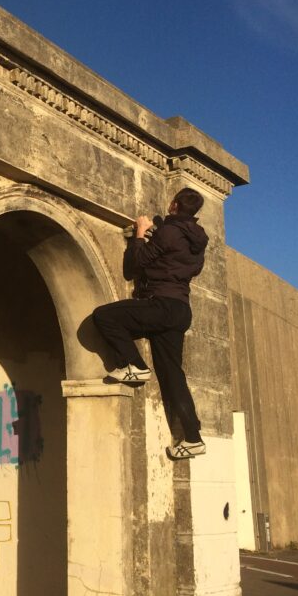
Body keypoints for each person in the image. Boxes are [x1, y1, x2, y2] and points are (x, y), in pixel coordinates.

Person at [92, 187, 208, 461]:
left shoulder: (170, 230)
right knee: (172, 376)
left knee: (105, 316)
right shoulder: (198, 242)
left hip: (160, 304)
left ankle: (135, 367)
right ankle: (193, 438)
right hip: (180, 309)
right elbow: (190, 269)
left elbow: (136, 263)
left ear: (174, 205)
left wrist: (141, 233)